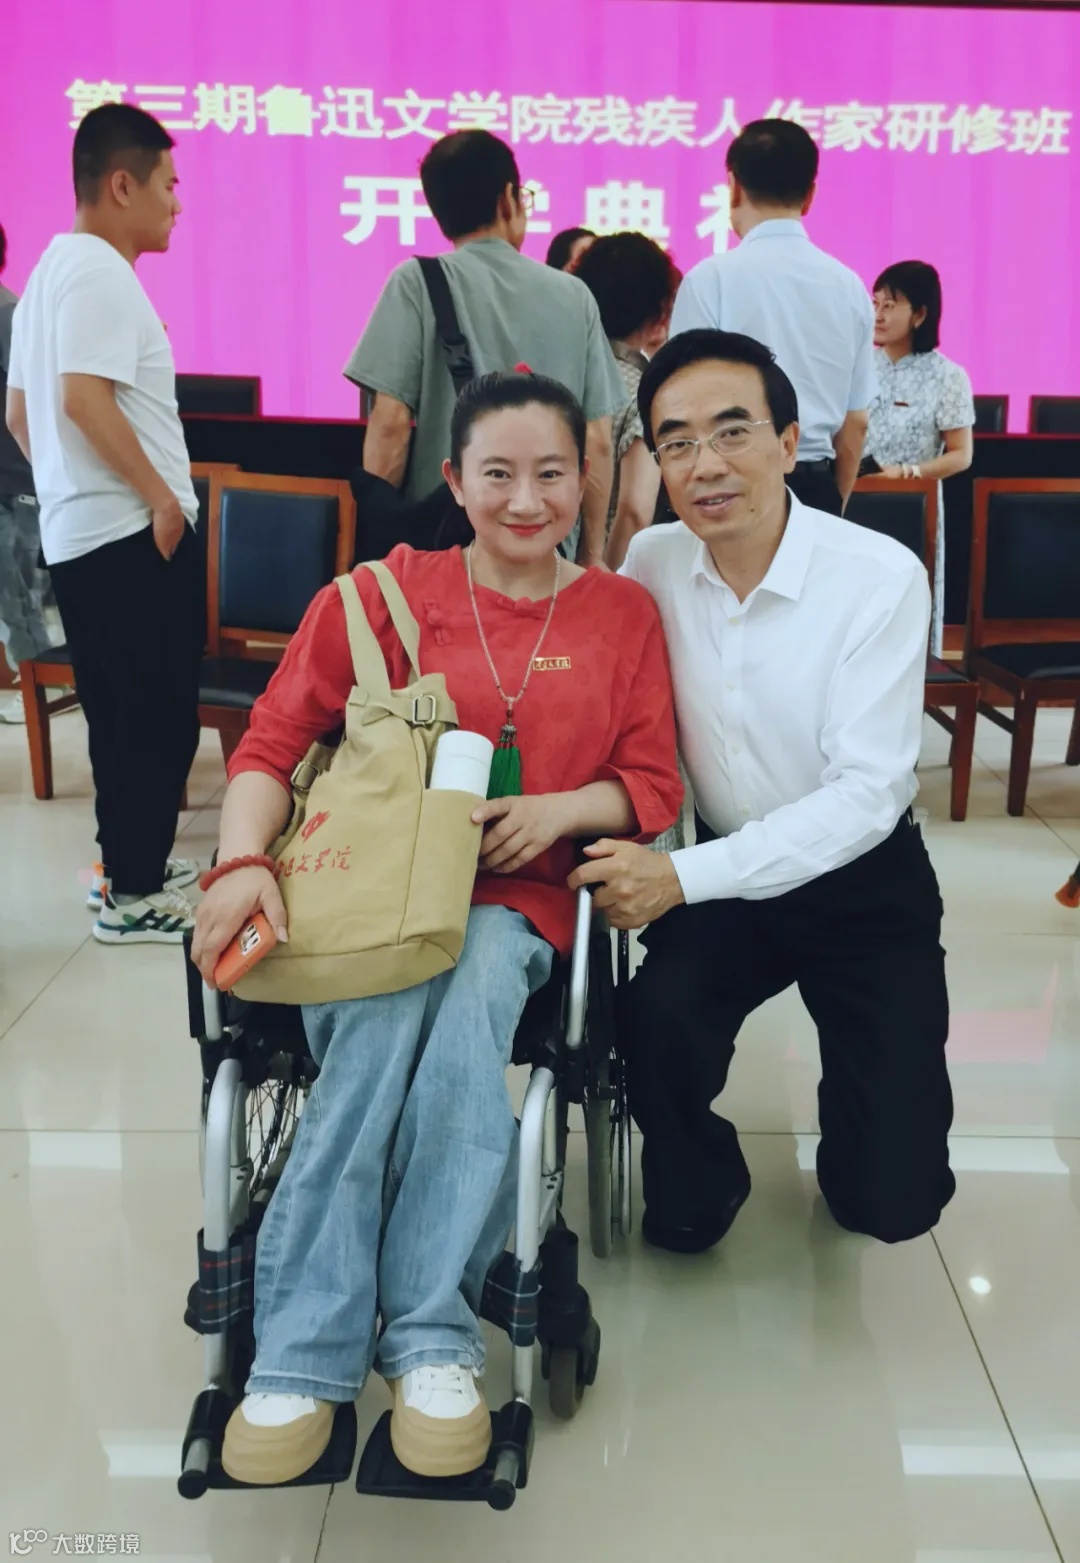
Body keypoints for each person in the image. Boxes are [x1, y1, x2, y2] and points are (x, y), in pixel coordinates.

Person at [191, 372, 682, 1486]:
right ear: (454, 480)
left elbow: (651, 783)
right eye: (498, 474)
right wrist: (243, 863)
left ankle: (426, 1336)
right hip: (368, 893)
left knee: (463, 1028)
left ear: (584, 478)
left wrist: (560, 810)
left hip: (519, 900)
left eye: (551, 473)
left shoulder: (620, 614)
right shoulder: (378, 596)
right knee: (374, 1031)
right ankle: (305, 1352)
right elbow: (272, 744)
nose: (526, 500)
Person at [570, 329, 954, 1255]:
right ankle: (705, 1174)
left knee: (890, 1201)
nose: (706, 464)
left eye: (732, 431)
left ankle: (864, 1138)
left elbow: (866, 794)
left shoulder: (878, 577)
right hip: (725, 878)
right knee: (654, 1020)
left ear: (788, 443)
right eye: (677, 442)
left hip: (862, 881)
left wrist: (678, 878)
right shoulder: (654, 562)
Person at [5, 104, 201, 943]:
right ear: (122, 185)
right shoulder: (99, 273)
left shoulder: (51, 271)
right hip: (129, 535)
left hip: (84, 534)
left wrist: (68, 491)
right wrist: (159, 499)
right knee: (155, 716)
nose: (177, 203)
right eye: (168, 184)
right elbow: (81, 400)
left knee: (122, 716)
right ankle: (133, 896)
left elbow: (21, 416)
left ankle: (129, 866)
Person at [344, 130, 626, 568]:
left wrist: (381, 543)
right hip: (547, 547)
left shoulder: (415, 283)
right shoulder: (574, 295)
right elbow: (598, 440)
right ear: (509, 198)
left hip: (443, 547)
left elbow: (391, 424)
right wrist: (590, 556)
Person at [669, 120, 874, 517]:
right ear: (810, 194)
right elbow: (856, 423)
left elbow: (686, 404)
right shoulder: (849, 287)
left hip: (728, 483)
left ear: (733, 187)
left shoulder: (709, 280)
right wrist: (832, 505)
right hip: (816, 482)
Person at [865, 260, 975, 656]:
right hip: (856, 501)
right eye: (875, 303)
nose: (878, 314)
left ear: (920, 315)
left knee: (908, 612)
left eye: (890, 305)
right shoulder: (857, 367)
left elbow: (961, 455)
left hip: (915, 508)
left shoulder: (948, 376)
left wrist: (909, 472)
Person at [572, 232, 682, 570]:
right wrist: (610, 580)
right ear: (660, 309)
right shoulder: (644, 390)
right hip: (602, 567)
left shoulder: (564, 374)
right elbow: (634, 509)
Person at [0, 222, 68, 724]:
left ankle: (40, 687)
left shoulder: (10, 315)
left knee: (17, 592)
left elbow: (37, 402)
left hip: (17, 482)